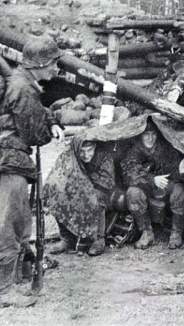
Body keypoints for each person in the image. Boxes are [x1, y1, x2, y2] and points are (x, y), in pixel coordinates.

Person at [0, 37, 64, 302]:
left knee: (19, 217)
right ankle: (6, 288)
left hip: (12, 158)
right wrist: (47, 128)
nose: (56, 69)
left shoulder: (23, 82)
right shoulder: (23, 87)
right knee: (9, 221)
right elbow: (34, 132)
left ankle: (19, 272)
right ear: (41, 63)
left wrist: (49, 119)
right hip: (10, 160)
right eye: (54, 63)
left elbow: (34, 113)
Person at [122, 122, 184, 250]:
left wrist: (181, 172)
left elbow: (173, 170)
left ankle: (176, 233)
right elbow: (130, 172)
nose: (150, 138)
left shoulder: (166, 148)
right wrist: (152, 180)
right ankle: (146, 232)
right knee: (133, 193)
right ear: (140, 135)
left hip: (165, 185)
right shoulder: (134, 150)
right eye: (146, 135)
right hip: (147, 186)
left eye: (153, 134)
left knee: (179, 191)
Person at [48, 139, 125, 256]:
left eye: (89, 150)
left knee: (94, 198)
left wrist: (83, 187)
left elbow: (106, 182)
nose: (85, 155)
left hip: (105, 193)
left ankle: (98, 239)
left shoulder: (104, 157)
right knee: (57, 196)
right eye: (82, 151)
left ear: (95, 147)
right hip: (82, 192)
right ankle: (67, 238)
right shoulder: (72, 158)